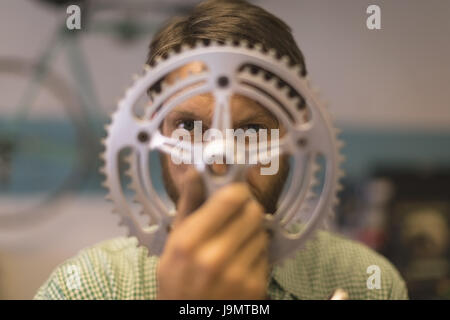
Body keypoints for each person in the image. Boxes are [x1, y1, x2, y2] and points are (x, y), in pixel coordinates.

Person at [34, 0, 408, 300]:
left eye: (252, 130)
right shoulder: (84, 289)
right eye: (189, 127)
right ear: (154, 129)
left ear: (298, 133)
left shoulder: (369, 285)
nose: (219, 160)